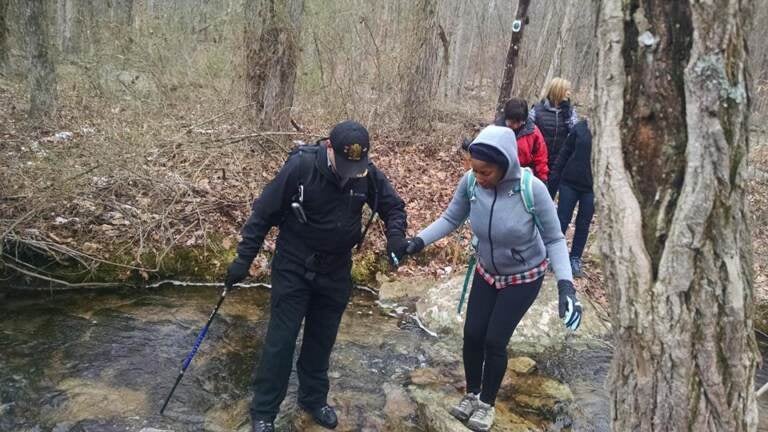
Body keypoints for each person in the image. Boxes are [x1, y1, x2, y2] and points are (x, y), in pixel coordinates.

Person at [225, 120, 409, 432]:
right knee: (280, 343)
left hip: (337, 270)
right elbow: (263, 213)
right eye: (347, 163)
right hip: (294, 266)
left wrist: (395, 237)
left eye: (358, 164)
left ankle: (312, 399)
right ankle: (264, 412)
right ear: (329, 149)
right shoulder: (301, 168)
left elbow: (394, 208)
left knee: (321, 341)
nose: (353, 171)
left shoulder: (365, 174)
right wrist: (244, 259)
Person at [405, 125, 582, 432]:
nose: (479, 178)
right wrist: (417, 242)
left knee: (494, 340)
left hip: (523, 275)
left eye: (485, 172)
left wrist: (567, 286)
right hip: (487, 271)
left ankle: (486, 404)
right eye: (474, 170)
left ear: (505, 165)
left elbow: (554, 239)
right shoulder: (471, 183)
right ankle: (472, 394)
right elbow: (450, 218)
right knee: (472, 334)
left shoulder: (532, 189)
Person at [548, 118, 594, 278]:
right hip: (569, 183)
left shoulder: (608, 134)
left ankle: (575, 258)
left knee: (583, 223)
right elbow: (565, 152)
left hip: (591, 188)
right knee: (562, 219)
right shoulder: (580, 128)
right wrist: (555, 175)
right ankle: (554, 256)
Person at [529, 78, 578, 195]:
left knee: (549, 194)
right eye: (566, 90)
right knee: (535, 194)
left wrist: (567, 115)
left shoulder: (570, 111)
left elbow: (575, 133)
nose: (569, 93)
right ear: (558, 90)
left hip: (558, 162)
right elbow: (528, 133)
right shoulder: (536, 110)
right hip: (538, 161)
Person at [495, 97, 549, 182]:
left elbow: (540, 157)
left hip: (522, 176)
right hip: (499, 174)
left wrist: (542, 179)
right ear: (506, 117)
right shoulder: (496, 129)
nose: (515, 126)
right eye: (512, 122)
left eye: (519, 122)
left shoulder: (533, 132)